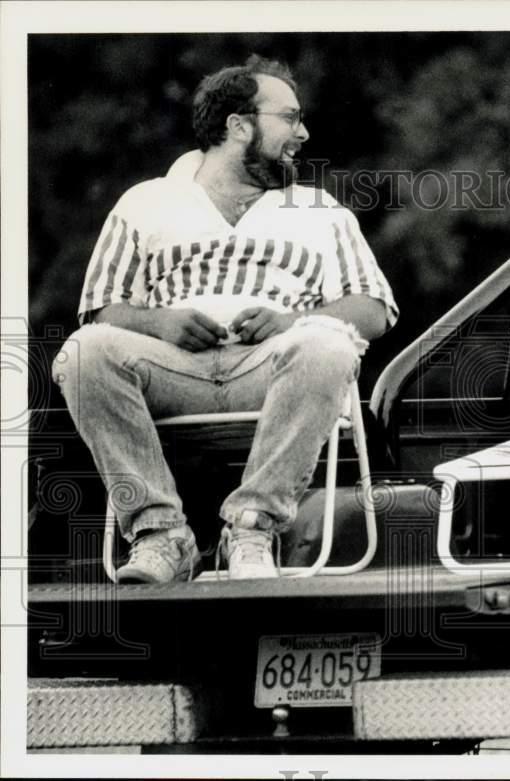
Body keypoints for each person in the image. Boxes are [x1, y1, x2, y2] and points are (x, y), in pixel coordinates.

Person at [53, 55, 398, 583]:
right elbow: (101, 308)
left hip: (275, 372)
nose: (302, 133)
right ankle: (160, 536)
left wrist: (290, 320)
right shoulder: (146, 201)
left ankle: (253, 527)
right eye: (289, 117)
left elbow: (374, 308)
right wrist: (159, 323)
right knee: (81, 352)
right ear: (238, 125)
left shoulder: (320, 208)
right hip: (173, 372)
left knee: (327, 344)